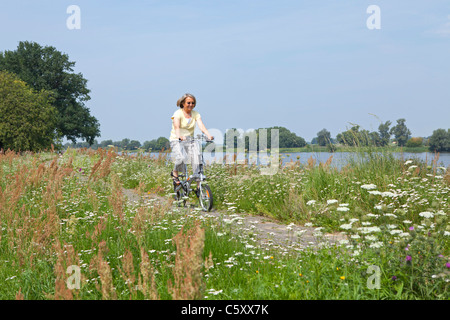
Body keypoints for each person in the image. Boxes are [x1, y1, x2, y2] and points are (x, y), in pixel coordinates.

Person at [169, 93, 213, 189]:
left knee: (198, 160)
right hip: (177, 139)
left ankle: (199, 186)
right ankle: (175, 173)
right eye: (188, 103)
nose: (191, 105)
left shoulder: (195, 114)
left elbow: (201, 125)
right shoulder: (178, 113)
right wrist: (180, 136)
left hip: (190, 140)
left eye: (193, 103)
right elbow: (177, 127)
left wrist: (208, 135)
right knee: (180, 158)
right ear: (183, 103)